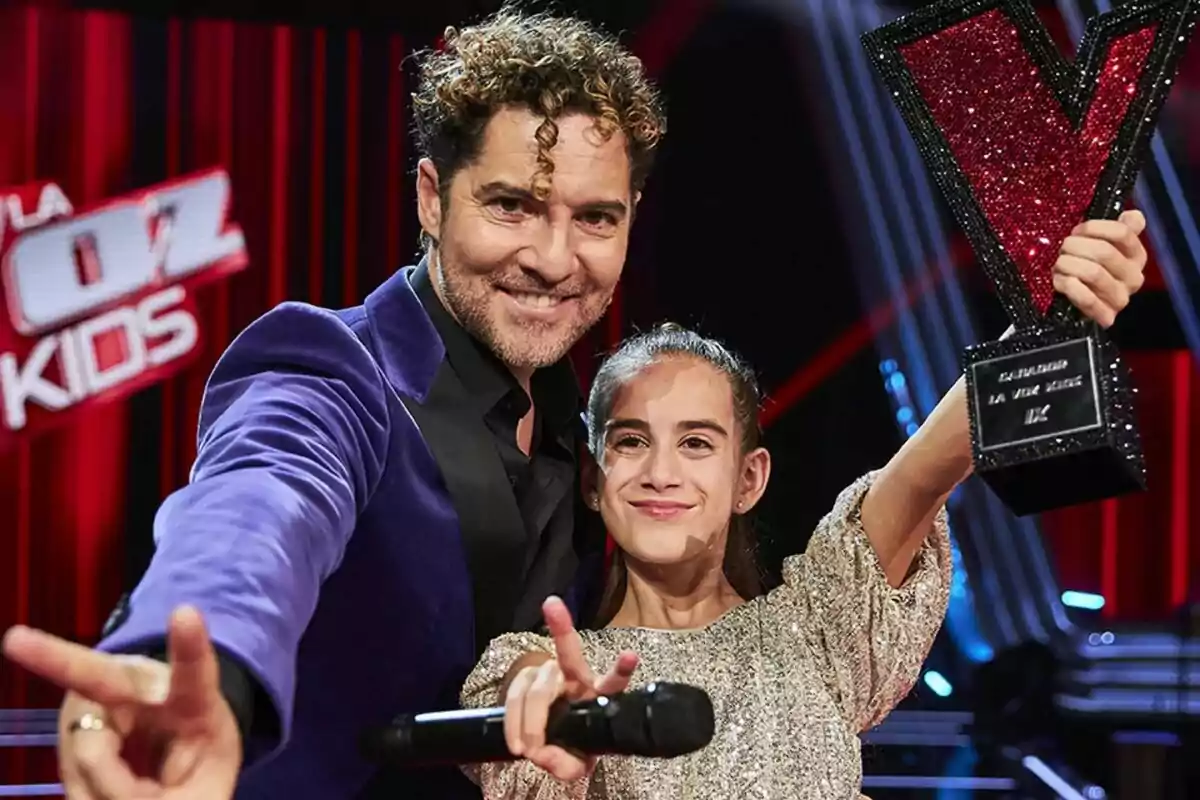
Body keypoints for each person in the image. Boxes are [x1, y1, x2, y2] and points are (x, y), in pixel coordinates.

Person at [0, 8, 665, 799]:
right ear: (430, 196)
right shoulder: (333, 368)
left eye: (594, 218)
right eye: (511, 206)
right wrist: (192, 663)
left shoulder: (586, 432)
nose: (555, 259)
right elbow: (260, 505)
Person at [458, 213, 1150, 799]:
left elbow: (927, 465)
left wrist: (1058, 307)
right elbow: (514, 696)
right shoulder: (553, 664)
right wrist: (545, 698)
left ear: (748, 480)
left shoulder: (818, 628)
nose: (660, 472)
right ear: (594, 478)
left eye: (697, 443)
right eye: (632, 441)